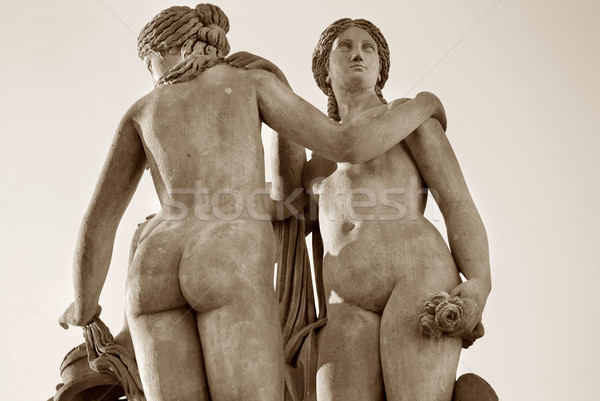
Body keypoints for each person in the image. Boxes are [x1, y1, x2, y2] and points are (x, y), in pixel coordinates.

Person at [57, 4, 447, 401]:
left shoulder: (140, 112)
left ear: (158, 57)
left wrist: (84, 311)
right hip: (227, 251)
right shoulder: (251, 83)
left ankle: (121, 349)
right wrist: (426, 103)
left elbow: (96, 225)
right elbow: (341, 147)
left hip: (153, 265)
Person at [302, 18, 492, 401]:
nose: (358, 53)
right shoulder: (316, 162)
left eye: (368, 48)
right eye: (345, 46)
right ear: (325, 67)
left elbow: (456, 203)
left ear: (380, 68)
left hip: (416, 274)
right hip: (345, 303)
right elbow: (277, 221)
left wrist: (479, 284)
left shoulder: (409, 118)